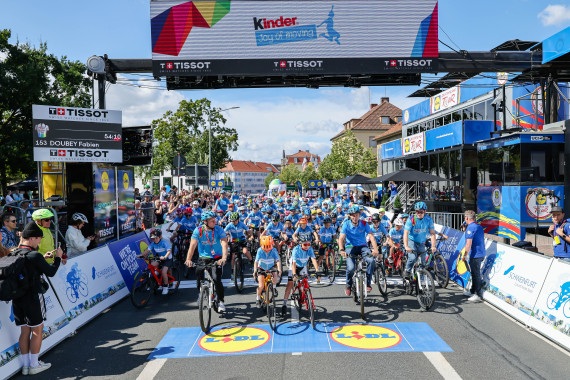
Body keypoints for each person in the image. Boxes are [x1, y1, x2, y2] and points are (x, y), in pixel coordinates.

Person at [13, 222, 63, 375]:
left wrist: (42, 257)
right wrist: (58, 258)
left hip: (17, 298)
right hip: (33, 297)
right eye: (39, 239)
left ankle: (26, 365)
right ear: (33, 238)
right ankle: (35, 364)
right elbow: (51, 272)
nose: (40, 242)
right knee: (37, 330)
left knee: (24, 331)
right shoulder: (35, 255)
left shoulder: (14, 253)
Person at [185, 211, 229, 312]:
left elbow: (224, 244)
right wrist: (188, 259)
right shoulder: (198, 230)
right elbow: (192, 246)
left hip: (217, 258)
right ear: (205, 222)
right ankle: (200, 293)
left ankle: (221, 301)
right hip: (203, 257)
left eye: (215, 219)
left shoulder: (219, 229)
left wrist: (224, 258)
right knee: (198, 275)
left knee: (216, 279)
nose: (215, 221)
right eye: (212, 220)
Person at [338, 206, 379, 296]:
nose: (354, 217)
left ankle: (368, 283)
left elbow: (371, 236)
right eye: (352, 215)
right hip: (350, 247)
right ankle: (348, 285)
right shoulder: (346, 224)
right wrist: (342, 250)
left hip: (363, 247)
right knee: (351, 268)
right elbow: (341, 238)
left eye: (356, 215)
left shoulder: (364, 223)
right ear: (350, 216)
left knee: (371, 261)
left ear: (359, 215)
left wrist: (375, 250)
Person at [282, 234, 319, 315]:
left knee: (305, 281)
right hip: (294, 266)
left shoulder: (310, 249)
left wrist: (317, 270)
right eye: (305, 244)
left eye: (309, 244)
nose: (307, 246)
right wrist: (294, 274)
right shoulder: (296, 250)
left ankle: (305, 295)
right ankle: (284, 304)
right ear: (300, 243)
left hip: (302, 266)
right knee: (290, 284)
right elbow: (294, 264)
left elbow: (313, 259)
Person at [402, 202, 437, 278]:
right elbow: (405, 234)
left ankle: (419, 281)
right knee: (412, 258)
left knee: (423, 262)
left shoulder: (428, 219)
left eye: (421, 212)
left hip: (421, 242)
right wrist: (406, 246)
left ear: (425, 211)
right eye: (417, 211)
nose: (419, 213)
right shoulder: (411, 219)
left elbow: (433, 233)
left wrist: (433, 246)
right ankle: (407, 270)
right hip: (411, 240)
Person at [461, 210, 486, 302]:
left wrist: (465, 255)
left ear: (467, 218)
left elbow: (468, 244)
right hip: (480, 253)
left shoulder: (471, 228)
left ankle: (478, 295)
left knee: (476, 274)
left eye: (465, 218)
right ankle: (472, 290)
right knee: (474, 274)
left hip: (475, 254)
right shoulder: (477, 226)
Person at [253, 236, 282, 308]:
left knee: (275, 275)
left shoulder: (274, 250)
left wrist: (279, 270)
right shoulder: (260, 250)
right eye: (265, 249)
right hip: (261, 267)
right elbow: (256, 262)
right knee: (261, 285)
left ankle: (274, 288)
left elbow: (278, 261)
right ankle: (258, 298)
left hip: (271, 266)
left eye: (269, 248)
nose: (267, 251)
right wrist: (255, 270)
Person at [142, 229, 173, 295]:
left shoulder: (164, 242)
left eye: (156, 238)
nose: (155, 240)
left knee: (164, 272)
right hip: (159, 258)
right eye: (153, 238)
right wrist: (141, 255)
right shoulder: (153, 244)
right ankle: (156, 276)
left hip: (167, 259)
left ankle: (165, 287)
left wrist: (165, 257)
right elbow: (147, 250)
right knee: (152, 265)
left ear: (160, 237)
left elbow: (169, 251)